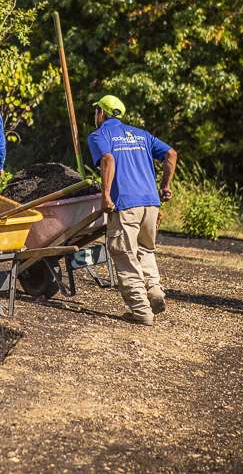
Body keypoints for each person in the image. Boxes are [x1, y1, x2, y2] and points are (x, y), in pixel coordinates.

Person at [87, 95, 178, 326]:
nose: (95, 115)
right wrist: (165, 186)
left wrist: (106, 194)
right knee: (145, 249)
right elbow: (171, 154)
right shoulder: (141, 134)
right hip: (150, 204)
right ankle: (155, 290)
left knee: (124, 254)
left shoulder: (100, 135)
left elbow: (108, 159)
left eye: (97, 110)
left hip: (126, 204)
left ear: (102, 113)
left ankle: (142, 312)